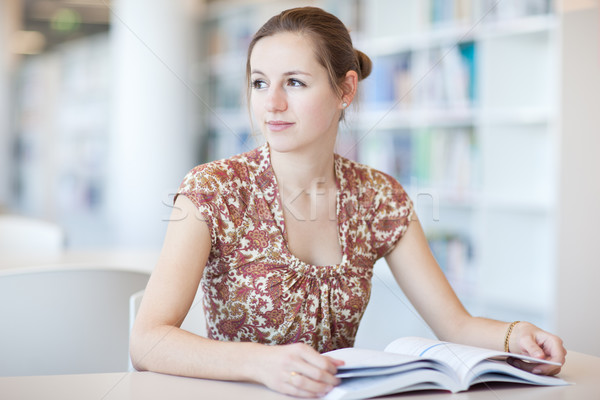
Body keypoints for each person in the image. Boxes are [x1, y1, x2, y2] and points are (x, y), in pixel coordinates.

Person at [130, 6, 566, 398]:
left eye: (295, 83)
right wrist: (262, 364)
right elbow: (147, 341)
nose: (272, 103)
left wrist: (517, 337)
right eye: (260, 83)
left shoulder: (380, 198)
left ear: (345, 90)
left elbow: (455, 325)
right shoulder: (215, 188)